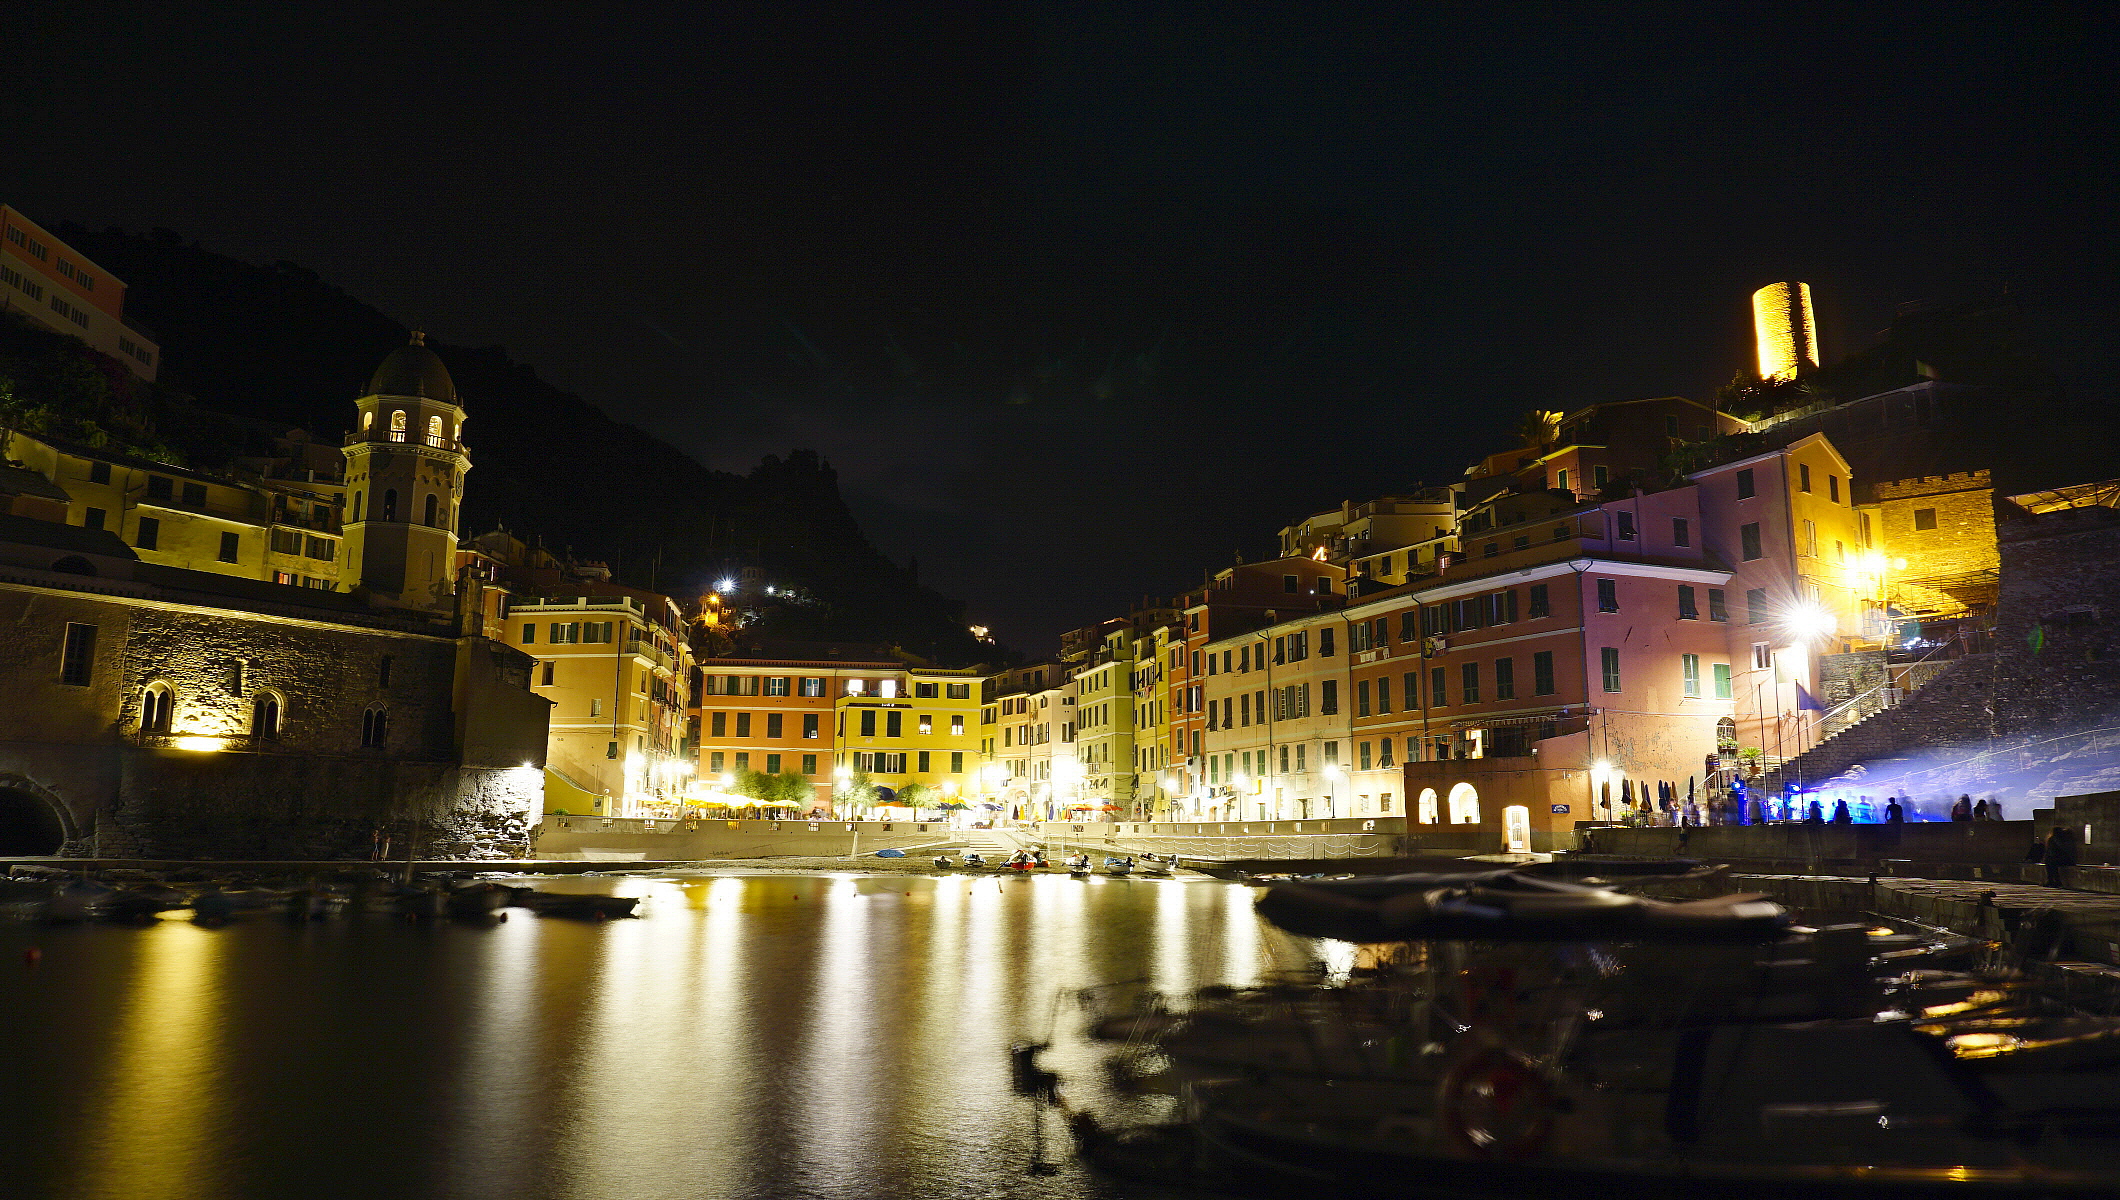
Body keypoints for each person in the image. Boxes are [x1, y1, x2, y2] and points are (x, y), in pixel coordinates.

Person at [2043, 824, 2079, 888]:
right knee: (2050, 862)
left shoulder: (2056, 839)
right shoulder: (2063, 839)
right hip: (2063, 859)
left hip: (2063, 859)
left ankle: (2053, 881)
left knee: (2051, 863)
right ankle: (2053, 881)